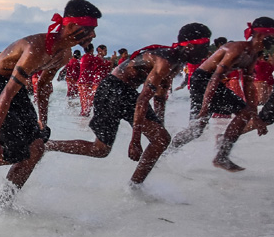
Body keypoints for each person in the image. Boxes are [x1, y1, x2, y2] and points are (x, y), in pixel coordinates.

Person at [0, 0, 102, 200]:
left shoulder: (64, 54)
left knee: (37, 147)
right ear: (71, 26)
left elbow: (44, 86)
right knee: (16, 150)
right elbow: (6, 93)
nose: (93, 35)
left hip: (14, 91)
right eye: (89, 29)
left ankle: (5, 203)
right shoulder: (37, 48)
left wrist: (42, 120)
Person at [45, 24, 212, 184]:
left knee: (159, 139)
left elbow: (159, 98)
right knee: (100, 149)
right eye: (205, 45)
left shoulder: (176, 61)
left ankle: (134, 186)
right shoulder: (166, 60)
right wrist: (135, 140)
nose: (208, 50)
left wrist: (159, 126)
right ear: (190, 46)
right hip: (112, 89)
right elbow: (142, 100)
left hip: (125, 92)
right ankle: (47, 145)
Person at [171, 17, 274, 172]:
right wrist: (205, 106)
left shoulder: (253, 55)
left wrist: (254, 115)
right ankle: (170, 150)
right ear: (261, 35)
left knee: (200, 127)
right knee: (198, 127)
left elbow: (248, 85)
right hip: (203, 80)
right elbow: (214, 78)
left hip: (211, 82)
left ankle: (221, 155)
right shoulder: (236, 49)